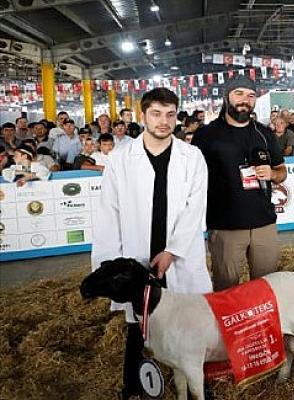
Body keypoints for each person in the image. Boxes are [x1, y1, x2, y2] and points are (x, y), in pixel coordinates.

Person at [91, 88, 212, 400]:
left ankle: (200, 386)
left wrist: (173, 251)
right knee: (138, 325)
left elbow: (195, 208)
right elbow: (109, 212)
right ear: (142, 115)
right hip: (137, 256)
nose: (164, 121)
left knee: (189, 321)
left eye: (170, 114)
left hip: (178, 254)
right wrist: (109, 264)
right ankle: (134, 386)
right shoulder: (121, 159)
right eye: (156, 113)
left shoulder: (192, 157)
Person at [192, 76, 287, 291]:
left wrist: (272, 173)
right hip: (225, 226)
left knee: (267, 288)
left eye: (251, 95)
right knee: (225, 289)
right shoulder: (206, 135)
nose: (245, 100)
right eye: (239, 94)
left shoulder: (265, 133)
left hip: (264, 223)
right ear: (227, 97)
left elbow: (282, 171)